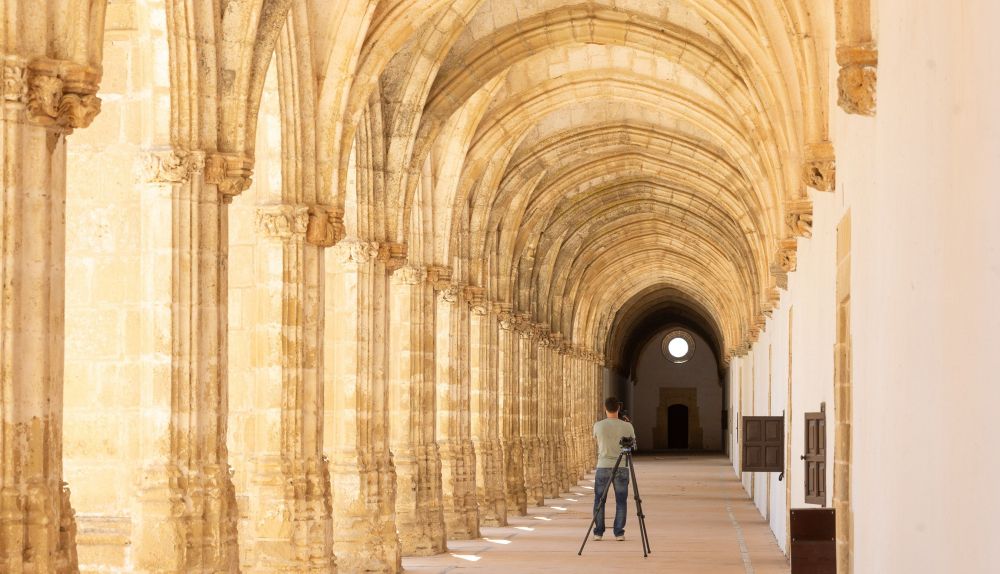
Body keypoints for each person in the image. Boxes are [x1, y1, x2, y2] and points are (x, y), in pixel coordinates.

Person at [592, 397, 636, 541]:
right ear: (618, 408)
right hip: (622, 466)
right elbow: (633, 445)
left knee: (599, 500)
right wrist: (627, 425)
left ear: (605, 408)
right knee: (621, 501)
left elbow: (596, 440)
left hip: (603, 465)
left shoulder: (598, 425)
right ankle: (619, 532)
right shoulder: (627, 426)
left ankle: (598, 532)